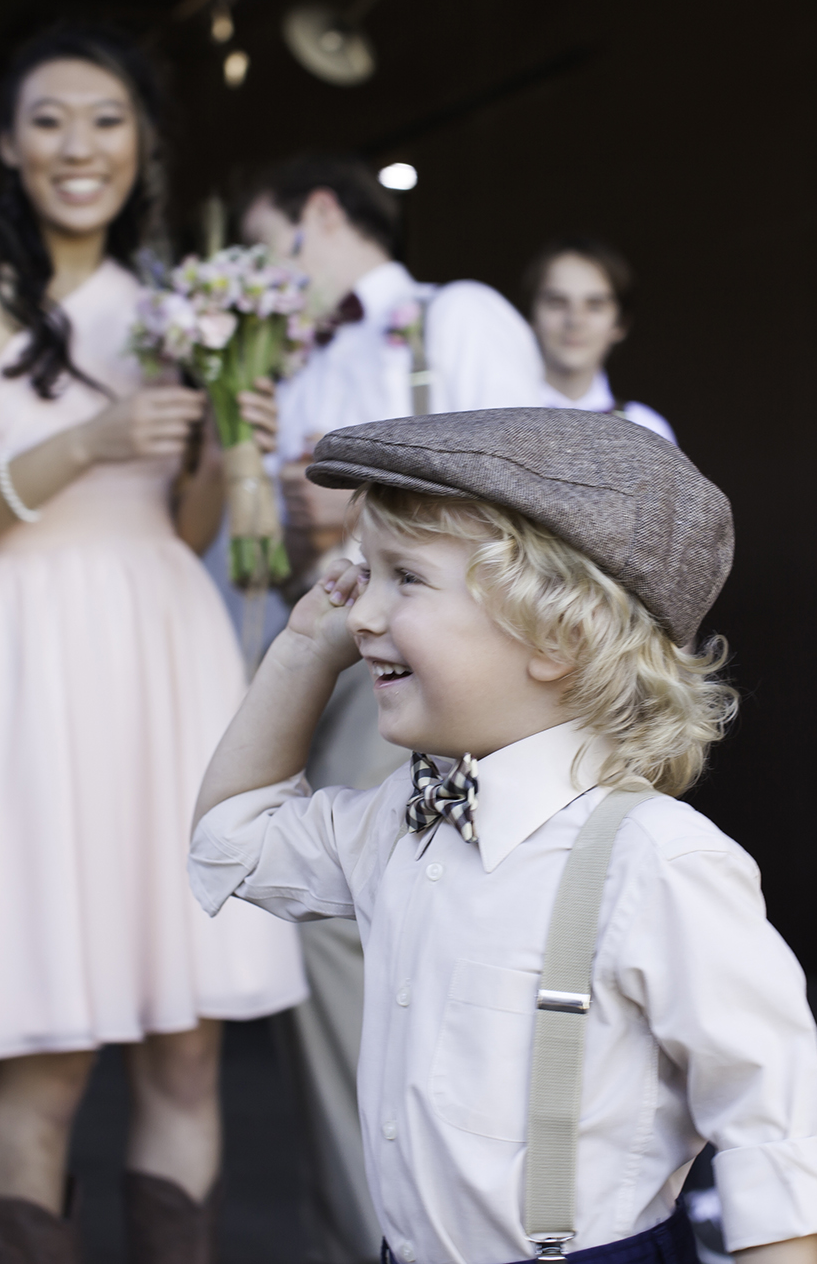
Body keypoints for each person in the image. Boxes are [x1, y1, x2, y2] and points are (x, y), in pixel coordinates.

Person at [191, 408, 817, 1264]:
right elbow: (232, 838)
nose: (360, 613)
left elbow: (772, 1144)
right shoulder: (400, 821)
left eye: (406, 578)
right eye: (364, 575)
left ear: (555, 636)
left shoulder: (658, 863)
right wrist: (298, 655)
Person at [0, 24, 304, 1264]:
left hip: (165, 645)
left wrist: (233, 445)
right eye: (52, 120)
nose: (81, 146)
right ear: (10, 144)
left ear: (144, 145)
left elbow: (180, 529)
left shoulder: (175, 300)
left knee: (187, 1037)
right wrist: (88, 439)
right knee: (47, 1043)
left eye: (107, 120)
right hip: (26, 646)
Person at [238, 154, 547, 1264]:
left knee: (367, 930)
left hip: (447, 661)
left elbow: (525, 472)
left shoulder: (453, 314)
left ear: (319, 213)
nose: (266, 282)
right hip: (326, 655)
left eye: (268, 244)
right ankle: (367, 1226)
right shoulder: (295, 365)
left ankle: (413, 1227)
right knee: (331, 934)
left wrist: (359, 535)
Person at [524, 237, 674, 443]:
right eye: (557, 303)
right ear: (531, 317)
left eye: (595, 305)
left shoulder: (648, 430)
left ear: (620, 324)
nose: (575, 320)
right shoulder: (495, 415)